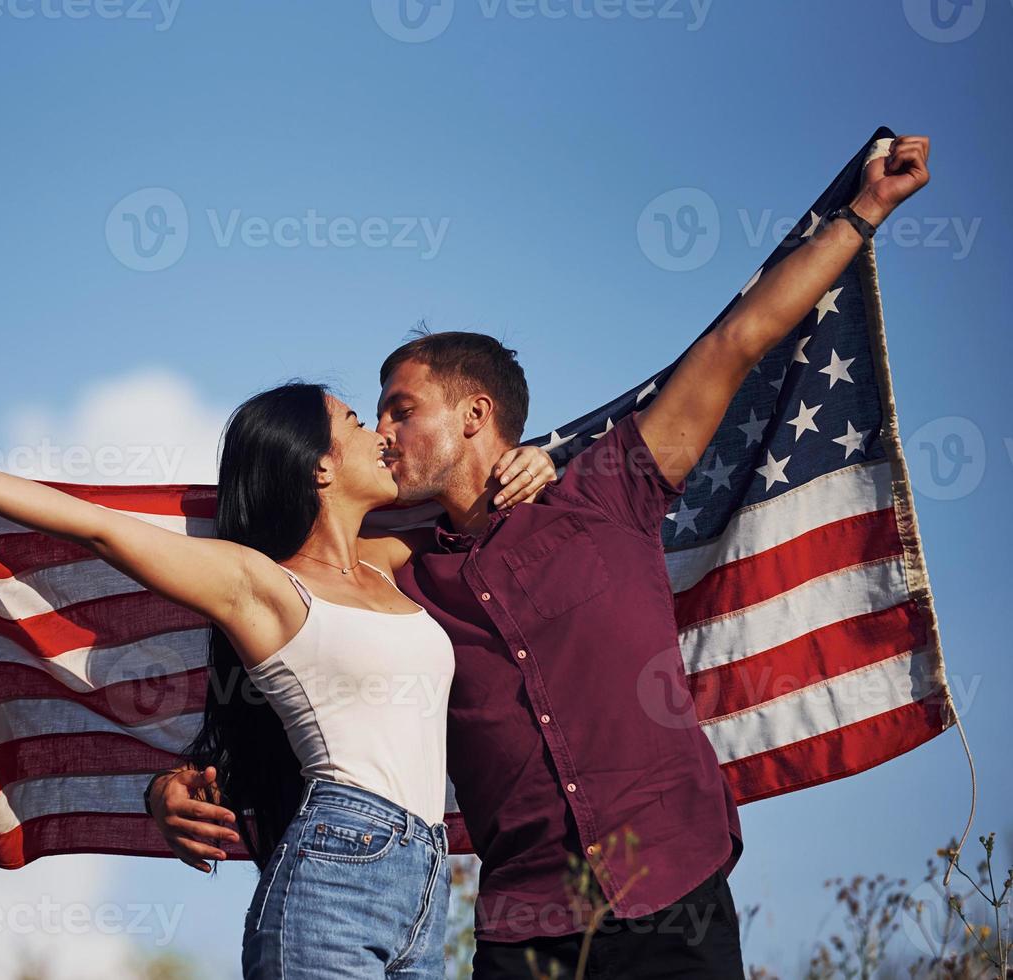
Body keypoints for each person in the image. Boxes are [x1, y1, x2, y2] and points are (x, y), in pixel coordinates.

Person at [151, 134, 931, 978]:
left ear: (475, 415)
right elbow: (295, 628)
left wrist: (865, 212)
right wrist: (185, 775)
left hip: (675, 891)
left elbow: (735, 342)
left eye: (401, 410)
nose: (382, 433)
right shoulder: (398, 576)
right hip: (524, 932)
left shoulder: (609, 487)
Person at [0, 383, 559, 978]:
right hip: (336, 873)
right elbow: (102, 531)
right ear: (318, 466)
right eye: (354, 420)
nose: (379, 433)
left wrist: (538, 464)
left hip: (425, 889)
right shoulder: (261, 585)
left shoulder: (392, 559)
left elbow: (485, 502)